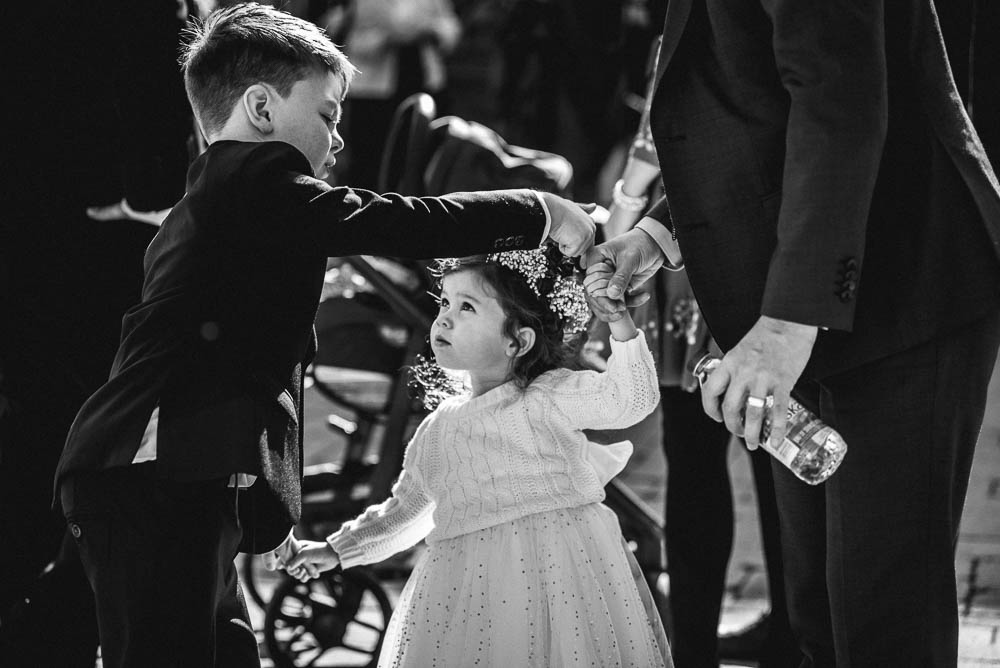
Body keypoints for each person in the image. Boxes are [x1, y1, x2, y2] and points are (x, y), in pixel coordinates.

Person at [52, 4, 598, 666]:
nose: (337, 138)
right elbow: (395, 220)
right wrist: (537, 210)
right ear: (260, 108)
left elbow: (230, 360)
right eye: (327, 114)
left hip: (166, 480)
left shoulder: (216, 205)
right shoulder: (255, 179)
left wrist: (258, 492)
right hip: (155, 483)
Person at [584, 1, 1000, 665]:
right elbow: (761, 111)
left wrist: (783, 328)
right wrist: (658, 235)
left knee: (882, 626)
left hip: (908, 285)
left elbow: (841, 108)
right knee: (819, 618)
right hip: (819, 303)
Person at [285, 246, 670, 666]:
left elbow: (630, 400)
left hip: (559, 580)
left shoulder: (547, 397)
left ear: (517, 340)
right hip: (469, 591)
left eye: (467, 306)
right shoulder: (439, 429)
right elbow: (405, 513)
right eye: (444, 302)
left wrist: (620, 323)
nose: (444, 318)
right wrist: (337, 549)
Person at [603, 62, 796, 667]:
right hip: (730, 247)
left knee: (700, 460)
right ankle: (785, 638)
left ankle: (695, 648)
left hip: (705, 255)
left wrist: (625, 206)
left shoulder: (698, 27)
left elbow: (654, 140)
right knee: (769, 457)